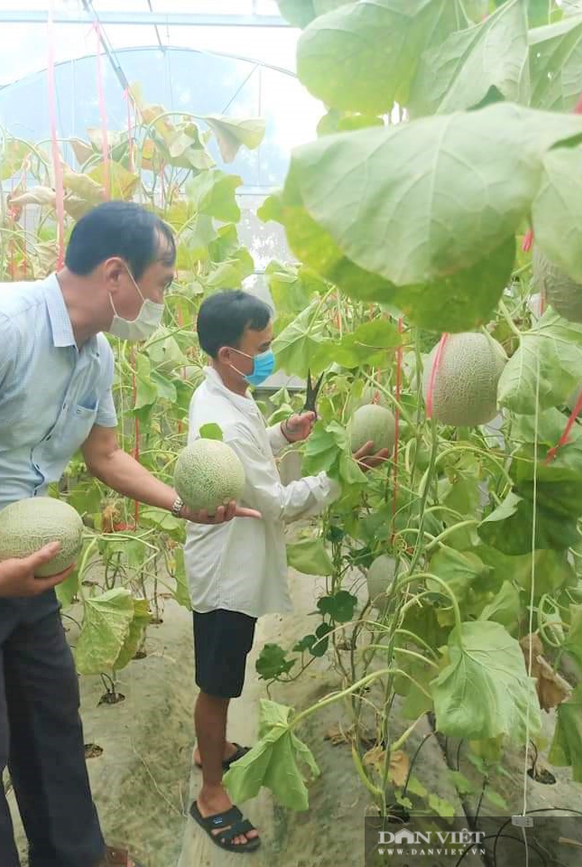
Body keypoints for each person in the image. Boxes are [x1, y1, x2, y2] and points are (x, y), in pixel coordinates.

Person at [0, 202, 259, 867]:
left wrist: (188, 503)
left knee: (50, 715)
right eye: (162, 282)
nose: (162, 299)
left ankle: (74, 854)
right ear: (117, 274)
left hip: (28, 541)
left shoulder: (94, 357)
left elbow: (105, 455)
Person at [185, 290, 390, 854]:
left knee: (223, 671)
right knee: (219, 682)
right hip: (227, 572)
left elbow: (251, 457)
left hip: (231, 559)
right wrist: (344, 474)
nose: (271, 354)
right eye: (263, 346)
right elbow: (274, 502)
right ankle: (210, 792)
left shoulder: (227, 391)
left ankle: (213, 747)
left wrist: (283, 435)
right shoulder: (221, 418)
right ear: (230, 352)